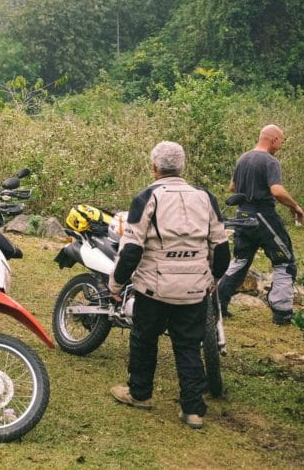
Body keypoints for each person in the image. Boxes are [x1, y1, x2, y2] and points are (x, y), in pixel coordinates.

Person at [108, 141, 230, 430]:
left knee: (144, 339)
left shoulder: (147, 197)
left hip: (154, 288)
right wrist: (211, 280)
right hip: (193, 291)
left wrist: (115, 284)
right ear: (182, 166)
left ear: (154, 167)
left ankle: (139, 394)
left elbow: (131, 251)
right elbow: (222, 249)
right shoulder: (205, 198)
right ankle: (193, 410)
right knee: (188, 345)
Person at [217, 124, 304, 325]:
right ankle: (282, 313)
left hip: (242, 215)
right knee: (285, 262)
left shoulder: (243, 158)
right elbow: (277, 191)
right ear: (274, 139)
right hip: (263, 216)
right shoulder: (270, 161)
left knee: (240, 261)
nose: (280, 146)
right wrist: (295, 206)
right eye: (281, 142)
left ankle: (218, 305)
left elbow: (233, 187)